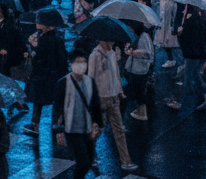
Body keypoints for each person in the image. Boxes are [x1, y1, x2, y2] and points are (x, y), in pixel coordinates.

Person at [51, 50, 102, 179]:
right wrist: (58, 131)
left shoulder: (90, 82)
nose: (81, 65)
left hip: (87, 128)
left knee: (89, 160)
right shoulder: (62, 83)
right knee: (83, 162)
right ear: (71, 64)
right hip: (71, 130)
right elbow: (57, 108)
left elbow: (96, 105)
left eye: (83, 62)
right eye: (78, 62)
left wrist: (97, 124)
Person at [88, 40, 136, 171]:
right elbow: (90, 78)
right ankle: (88, 154)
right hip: (100, 99)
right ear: (102, 40)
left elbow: (116, 75)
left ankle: (126, 161)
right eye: (109, 41)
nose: (112, 43)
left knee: (119, 130)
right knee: (97, 130)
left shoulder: (112, 53)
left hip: (114, 98)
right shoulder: (95, 55)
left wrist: (120, 91)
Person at [23, 13, 68, 137]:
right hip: (55, 76)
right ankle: (56, 126)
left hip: (42, 76)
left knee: (38, 101)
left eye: (40, 21)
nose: (37, 23)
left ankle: (35, 125)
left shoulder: (43, 39)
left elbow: (40, 58)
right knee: (56, 101)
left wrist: (32, 55)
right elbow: (62, 59)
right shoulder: (58, 39)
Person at [0, 3, 23, 77]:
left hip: (4, 49)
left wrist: (6, 48)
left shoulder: (9, 23)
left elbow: (11, 38)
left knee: (3, 69)